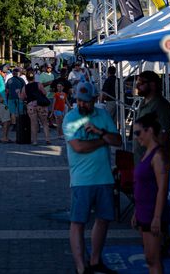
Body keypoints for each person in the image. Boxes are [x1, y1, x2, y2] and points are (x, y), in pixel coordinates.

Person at [63, 82, 122, 274]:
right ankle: (81, 267)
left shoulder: (102, 115)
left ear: (95, 100)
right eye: (79, 100)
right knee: (78, 222)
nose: (82, 104)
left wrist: (100, 133)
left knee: (104, 219)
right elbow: (78, 147)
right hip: (81, 180)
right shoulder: (70, 118)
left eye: (86, 102)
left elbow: (118, 141)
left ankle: (95, 261)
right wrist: (101, 141)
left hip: (104, 177)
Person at [132, 112, 169, 274]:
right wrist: (136, 212)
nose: (136, 137)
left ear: (150, 131)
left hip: (152, 213)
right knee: (149, 258)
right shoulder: (146, 153)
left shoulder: (158, 156)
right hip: (143, 211)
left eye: (138, 133)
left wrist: (157, 217)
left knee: (153, 259)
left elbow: (162, 188)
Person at [133, 71, 170, 166]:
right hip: (142, 162)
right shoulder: (143, 103)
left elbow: (163, 135)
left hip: (154, 165)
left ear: (152, 84)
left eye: (141, 83)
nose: (137, 86)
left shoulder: (161, 106)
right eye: (137, 83)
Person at [21, 68, 51, 145]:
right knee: (44, 122)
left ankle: (34, 141)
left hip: (31, 106)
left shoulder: (25, 87)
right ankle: (47, 139)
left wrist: (18, 93)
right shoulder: (39, 84)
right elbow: (44, 93)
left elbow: (22, 98)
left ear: (27, 78)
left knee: (33, 124)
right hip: (41, 105)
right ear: (34, 77)